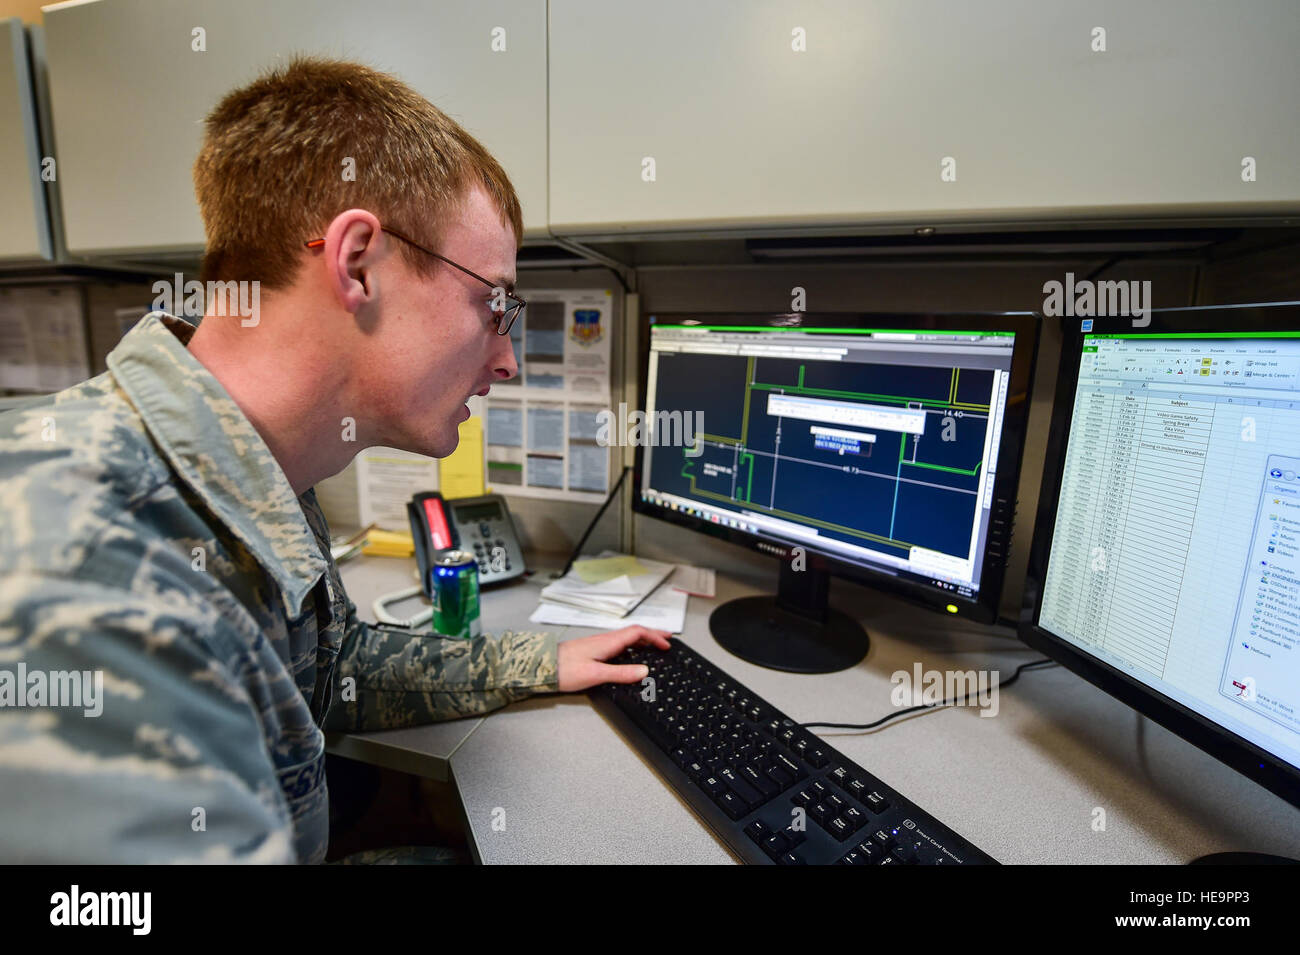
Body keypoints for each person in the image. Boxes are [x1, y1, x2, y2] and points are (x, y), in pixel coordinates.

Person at [0, 56, 669, 863]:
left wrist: (537, 659)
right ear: (357, 263)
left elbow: (332, 665)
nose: (508, 361)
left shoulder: (254, 464)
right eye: (495, 304)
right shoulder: (85, 564)